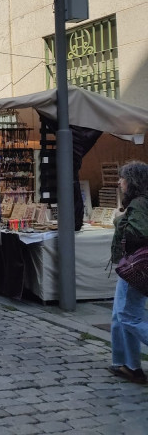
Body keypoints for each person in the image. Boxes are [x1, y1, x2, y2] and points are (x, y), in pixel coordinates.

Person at [108, 161, 148, 384]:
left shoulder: (139, 204)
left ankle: (130, 365)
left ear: (131, 181)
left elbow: (139, 231)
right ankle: (127, 364)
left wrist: (120, 219)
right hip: (134, 265)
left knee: (127, 315)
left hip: (136, 265)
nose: (119, 182)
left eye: (122, 178)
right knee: (120, 314)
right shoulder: (141, 202)